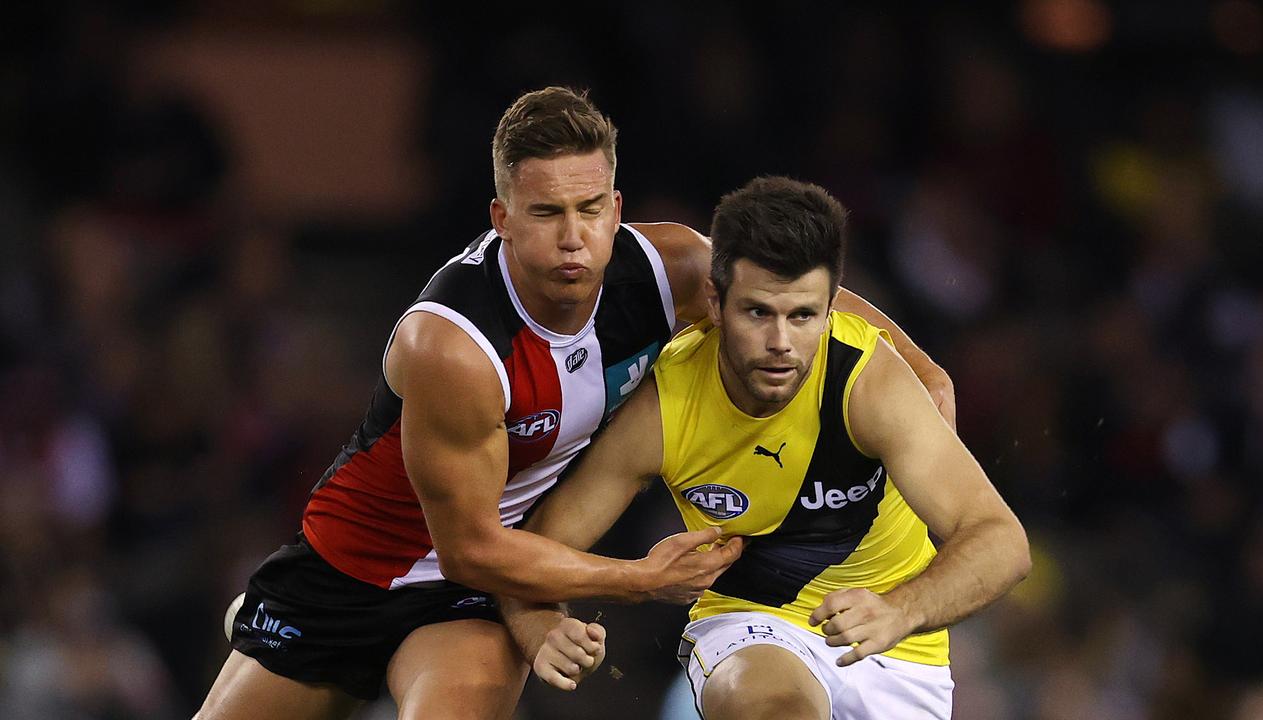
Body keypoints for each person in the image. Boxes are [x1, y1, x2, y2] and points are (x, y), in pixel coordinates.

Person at [196, 89, 954, 719]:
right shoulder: (454, 346)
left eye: (591, 210)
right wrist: (639, 580)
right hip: (354, 571)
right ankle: (267, 621)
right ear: (501, 220)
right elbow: (467, 544)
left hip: (481, 595)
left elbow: (828, 320)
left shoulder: (675, 271)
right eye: (545, 214)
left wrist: (928, 398)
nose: (574, 240)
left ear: (616, 205)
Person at [503, 176, 1030, 719]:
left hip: (893, 641)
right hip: (751, 622)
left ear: (829, 311)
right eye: (758, 313)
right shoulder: (666, 404)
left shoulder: (867, 380)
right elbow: (538, 550)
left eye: (802, 316)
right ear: (714, 301)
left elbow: (1002, 543)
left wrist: (900, 611)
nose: (781, 344)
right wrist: (541, 626)